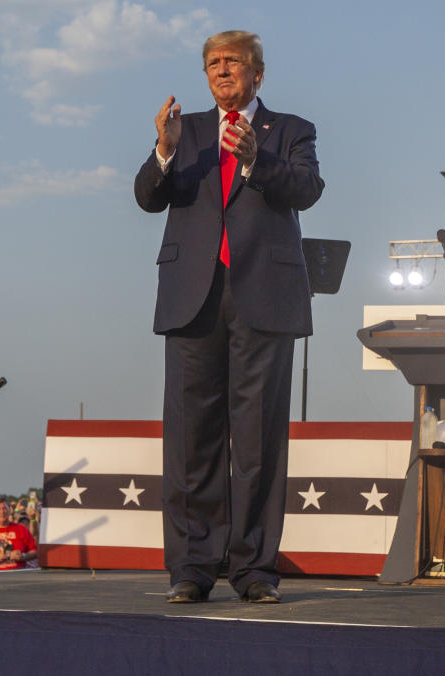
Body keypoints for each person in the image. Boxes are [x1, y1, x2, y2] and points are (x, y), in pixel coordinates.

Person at [134, 30, 324, 605]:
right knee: (191, 440)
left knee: (259, 439)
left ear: (257, 75)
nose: (222, 71)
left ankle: (254, 570)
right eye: (213, 63)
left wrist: (255, 161)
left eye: (234, 63)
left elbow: (308, 190)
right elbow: (147, 197)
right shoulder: (184, 130)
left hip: (264, 297)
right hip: (193, 297)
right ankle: (191, 567)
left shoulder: (291, 130)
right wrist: (163, 151)